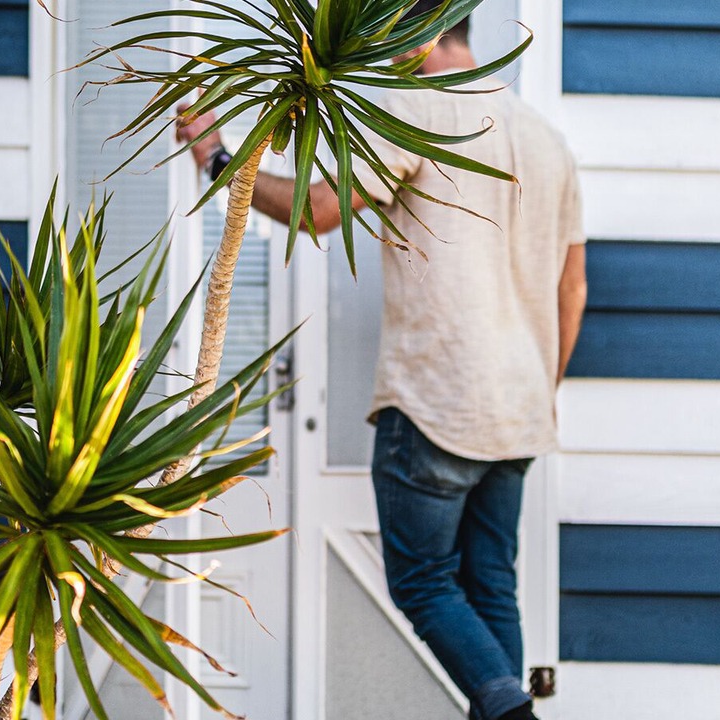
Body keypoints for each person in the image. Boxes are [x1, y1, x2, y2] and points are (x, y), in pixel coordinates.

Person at [175, 7, 587, 720]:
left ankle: (514, 715)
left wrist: (219, 158)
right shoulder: (547, 139)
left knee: (425, 585)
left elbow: (319, 211)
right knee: (491, 586)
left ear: (421, 36)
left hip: (436, 404)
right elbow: (573, 287)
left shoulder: (414, 110)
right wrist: (539, 386)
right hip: (519, 412)